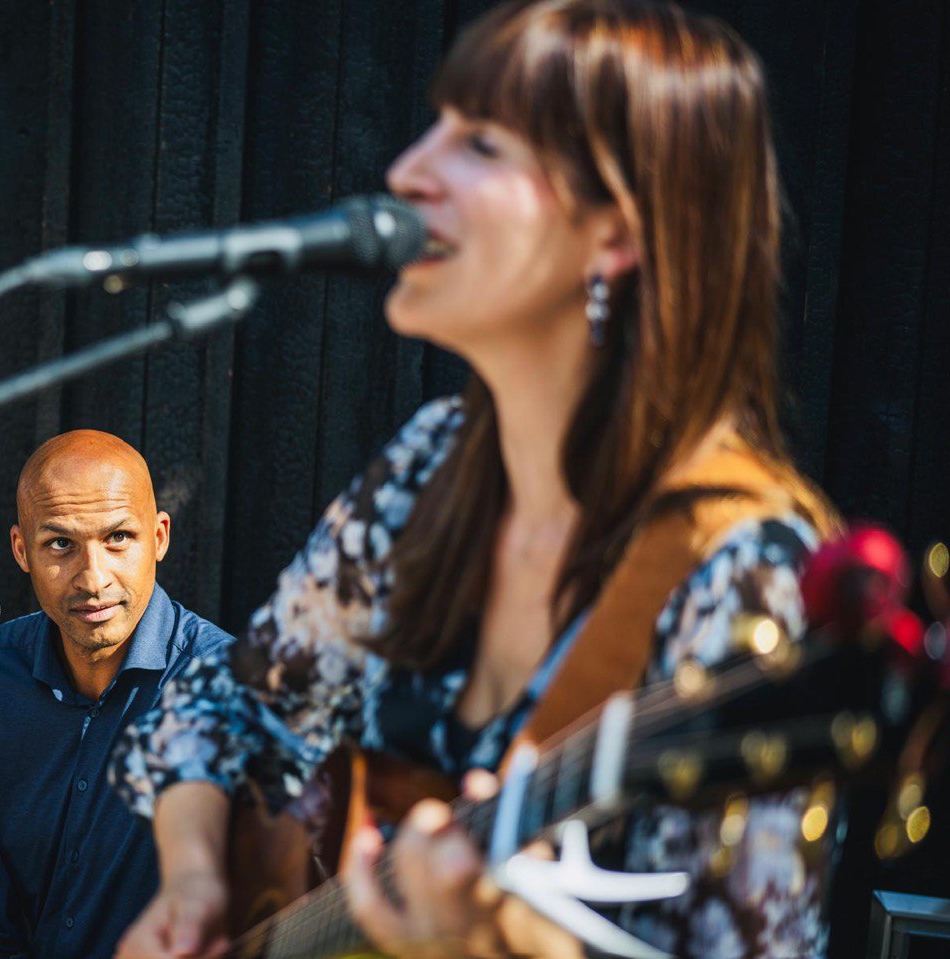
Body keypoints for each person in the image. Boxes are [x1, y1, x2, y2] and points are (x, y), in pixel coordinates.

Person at [112, 1, 839, 957]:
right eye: (436, 125)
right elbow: (229, 703)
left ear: (615, 233)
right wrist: (200, 873)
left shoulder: (746, 574)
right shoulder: (434, 463)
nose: (409, 171)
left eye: (481, 143)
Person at [0, 431, 232, 959]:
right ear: (22, 550)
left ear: (159, 537)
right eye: (61, 544)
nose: (93, 578)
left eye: (118, 539)